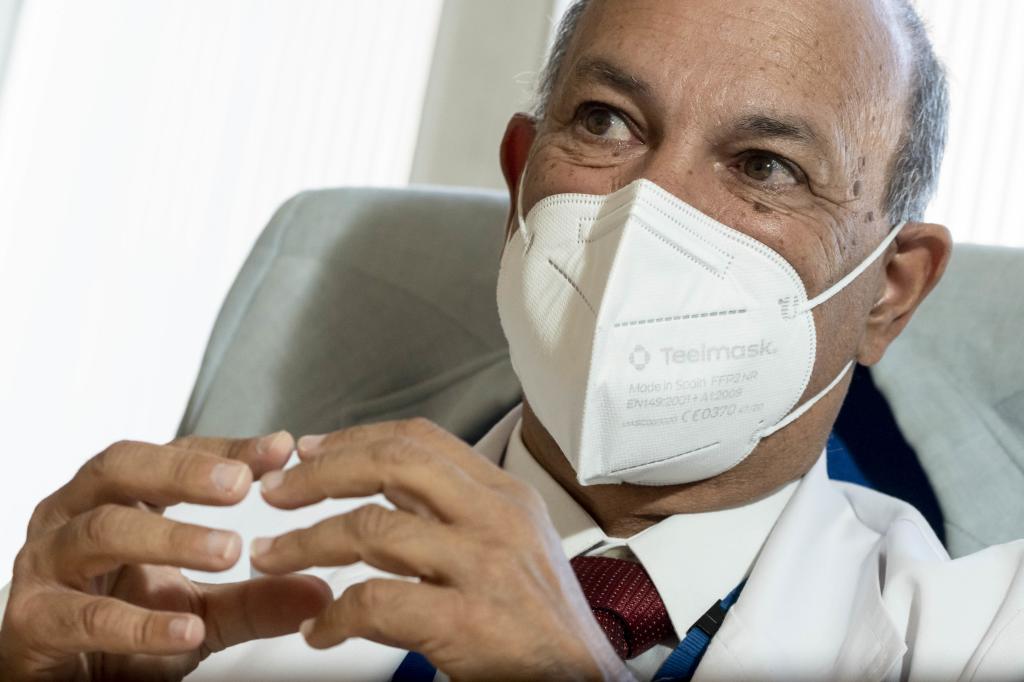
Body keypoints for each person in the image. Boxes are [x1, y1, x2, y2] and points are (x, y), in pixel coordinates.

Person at [1, 0, 1022, 680]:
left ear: (890, 291)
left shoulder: (982, 634)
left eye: (762, 165)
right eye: (608, 121)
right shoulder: (210, 571)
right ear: (519, 184)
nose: (648, 211)